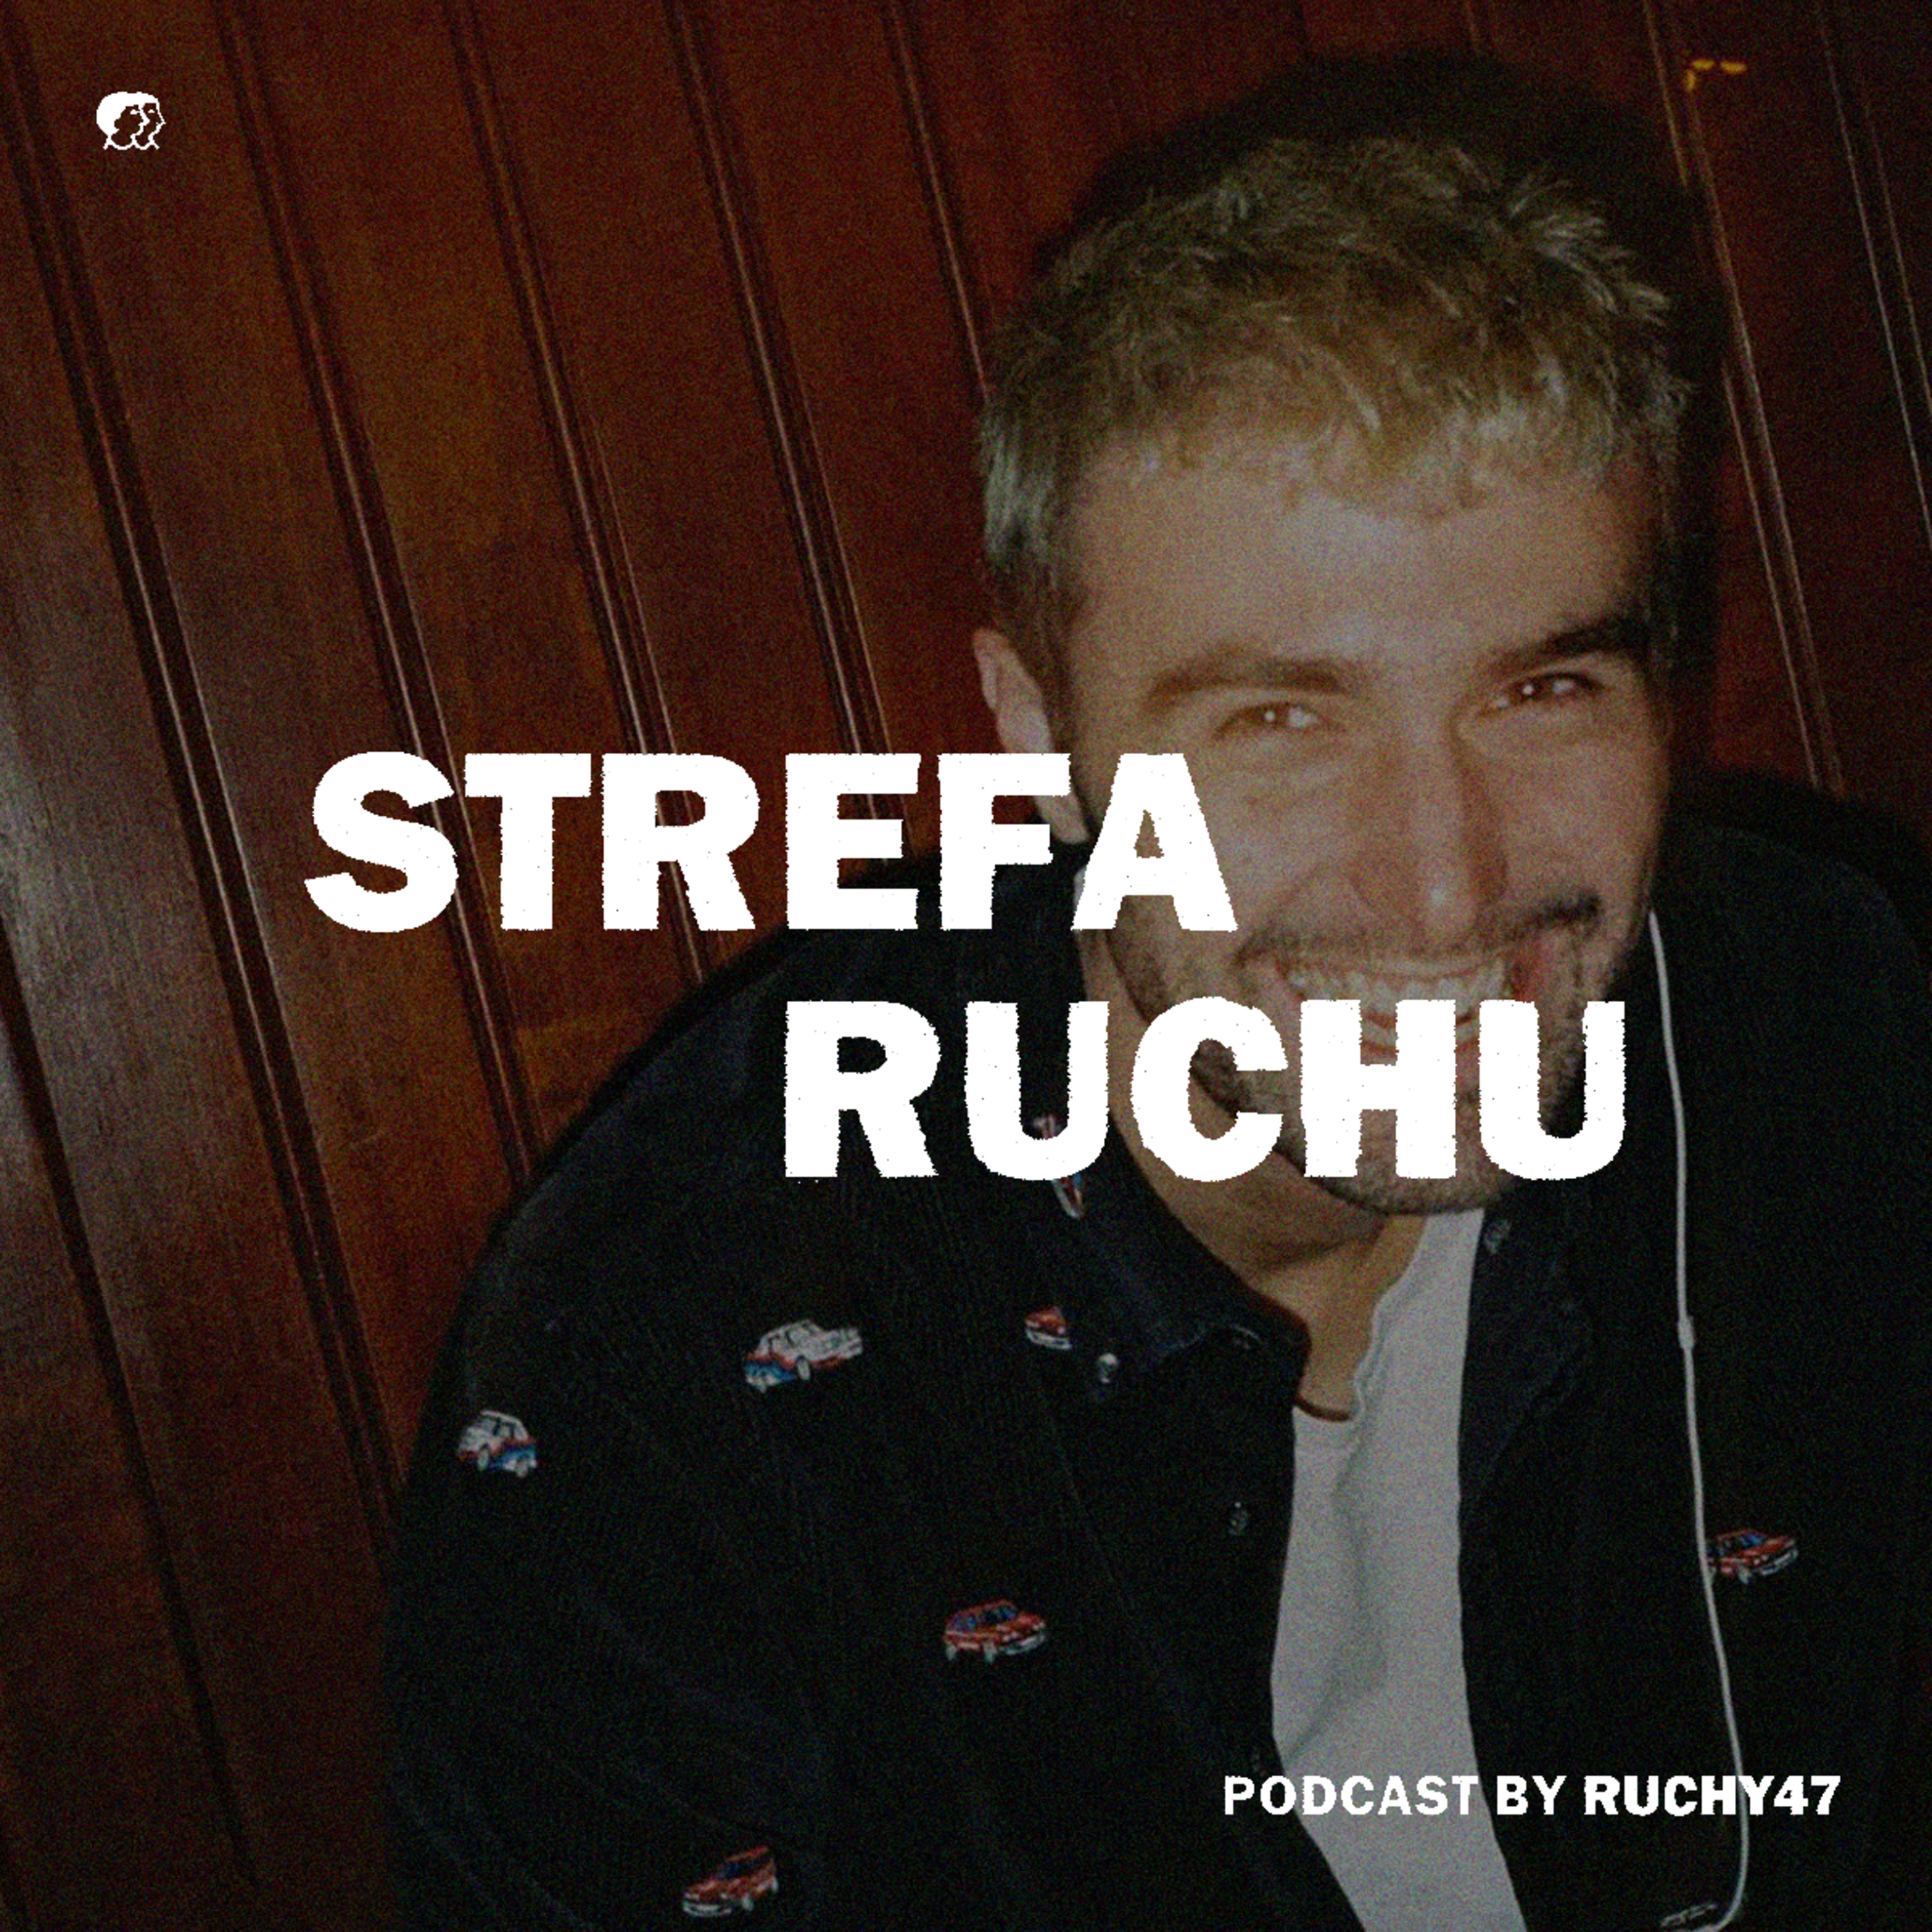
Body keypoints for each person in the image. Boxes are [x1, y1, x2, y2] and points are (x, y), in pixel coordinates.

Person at [384, 55, 1931, 1930]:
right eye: (1279, 721)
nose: (1447, 885)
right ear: (1042, 739)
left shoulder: (1831, 1032)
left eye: (1544, 691)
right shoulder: (678, 1351)